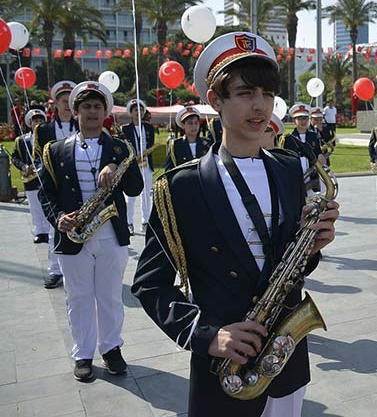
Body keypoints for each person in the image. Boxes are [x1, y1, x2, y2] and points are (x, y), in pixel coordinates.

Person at [132, 32, 339, 416]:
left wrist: (310, 249)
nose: (260, 106)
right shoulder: (181, 187)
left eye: (268, 94)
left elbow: (288, 266)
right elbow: (149, 284)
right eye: (245, 93)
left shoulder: (290, 169)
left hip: (287, 362)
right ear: (215, 100)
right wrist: (208, 335)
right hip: (224, 370)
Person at [39, 81, 143, 383]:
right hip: (73, 235)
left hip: (110, 233)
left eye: (98, 106)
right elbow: (47, 193)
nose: (92, 111)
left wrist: (114, 166)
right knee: (78, 297)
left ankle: (111, 349)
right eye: (86, 106)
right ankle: (83, 354)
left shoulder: (120, 148)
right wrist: (58, 217)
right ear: (75, 111)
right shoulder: (55, 149)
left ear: (106, 111)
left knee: (109, 296)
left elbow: (136, 186)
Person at [33, 80, 78, 288]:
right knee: (54, 227)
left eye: (70, 100)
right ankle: (54, 270)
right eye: (63, 100)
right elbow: (39, 159)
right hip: (56, 185)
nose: (67, 105)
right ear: (55, 104)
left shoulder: (83, 125)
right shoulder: (43, 130)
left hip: (80, 185)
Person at [12, 109, 50, 244]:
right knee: (34, 206)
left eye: (41, 121)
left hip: (46, 176)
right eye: (35, 121)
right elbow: (15, 158)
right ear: (30, 123)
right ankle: (40, 231)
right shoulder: (21, 140)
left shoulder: (48, 138)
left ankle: (49, 230)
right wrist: (24, 167)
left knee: (48, 204)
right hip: (31, 177)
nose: (38, 123)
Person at [122, 99, 156, 236]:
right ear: (131, 112)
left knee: (146, 194)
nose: (139, 112)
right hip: (132, 166)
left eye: (141, 110)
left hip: (146, 164)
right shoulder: (125, 129)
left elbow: (151, 143)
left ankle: (145, 221)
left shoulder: (148, 128)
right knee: (130, 196)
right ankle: (129, 222)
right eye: (136, 110)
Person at [165, 106, 213, 171]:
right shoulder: (176, 145)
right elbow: (169, 170)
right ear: (183, 125)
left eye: (196, 123)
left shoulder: (207, 143)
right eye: (190, 123)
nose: (194, 126)